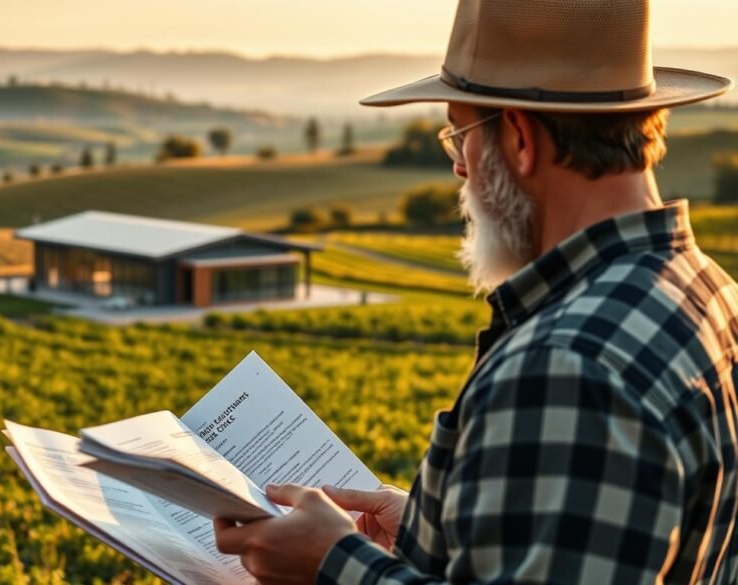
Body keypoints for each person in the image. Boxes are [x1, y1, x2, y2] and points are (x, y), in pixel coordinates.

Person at [213, 1, 738, 583]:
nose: (460, 166)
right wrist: (433, 526)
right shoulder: (713, 295)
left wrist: (334, 564)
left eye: (459, 135)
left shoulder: (564, 367)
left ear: (518, 138)